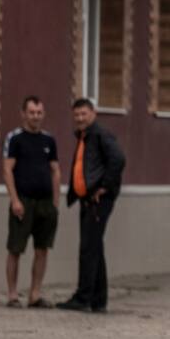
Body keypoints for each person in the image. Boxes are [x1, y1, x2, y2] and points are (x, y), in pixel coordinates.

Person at [57, 99, 126, 313]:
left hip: (98, 200)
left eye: (83, 114)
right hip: (86, 199)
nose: (79, 118)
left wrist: (104, 187)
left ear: (93, 113)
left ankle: (83, 297)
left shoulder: (100, 135)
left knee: (88, 247)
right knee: (95, 247)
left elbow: (118, 159)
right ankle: (98, 300)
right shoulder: (84, 136)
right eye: (76, 115)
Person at [2, 96, 61, 308]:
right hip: (23, 202)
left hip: (45, 203)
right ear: (23, 114)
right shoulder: (15, 138)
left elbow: (55, 171)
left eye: (39, 112)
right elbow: (7, 169)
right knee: (15, 249)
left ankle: (35, 295)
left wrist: (55, 202)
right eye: (32, 112)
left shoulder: (49, 140)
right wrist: (15, 200)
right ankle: (12, 294)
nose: (36, 116)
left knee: (42, 249)